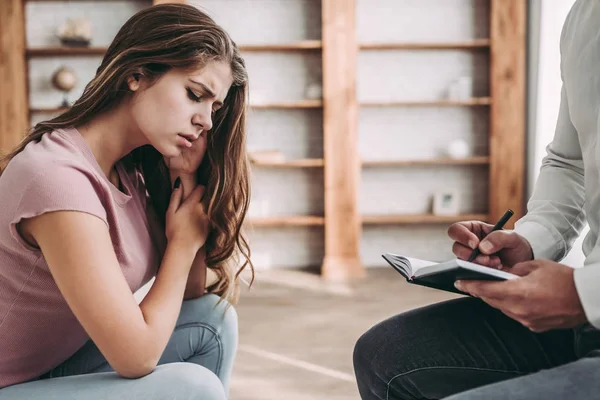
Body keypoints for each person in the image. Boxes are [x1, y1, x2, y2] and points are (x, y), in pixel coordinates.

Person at [0, 4, 252, 399]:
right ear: (136, 74)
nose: (205, 119)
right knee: (194, 387)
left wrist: (185, 180)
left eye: (213, 108)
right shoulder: (57, 179)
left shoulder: (129, 168)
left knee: (212, 321)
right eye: (194, 95)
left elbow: (189, 293)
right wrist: (184, 243)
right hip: (10, 384)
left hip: (52, 367)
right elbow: (135, 357)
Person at [353, 0, 600, 399]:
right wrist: (531, 240)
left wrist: (588, 294)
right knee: (383, 354)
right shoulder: (586, 16)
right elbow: (571, 163)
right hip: (589, 318)